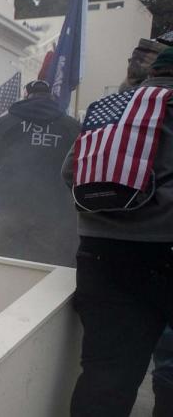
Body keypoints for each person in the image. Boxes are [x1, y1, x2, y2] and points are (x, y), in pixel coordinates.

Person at [65, 47, 173, 416]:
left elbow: (70, 173)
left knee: (106, 375)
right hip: (165, 250)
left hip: (100, 253)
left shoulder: (111, 107)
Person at [0, 79, 79, 265]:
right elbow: (78, 167)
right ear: (50, 96)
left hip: (9, 205)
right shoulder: (70, 126)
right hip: (51, 210)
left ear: (27, 95)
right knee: (42, 266)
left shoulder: (6, 122)